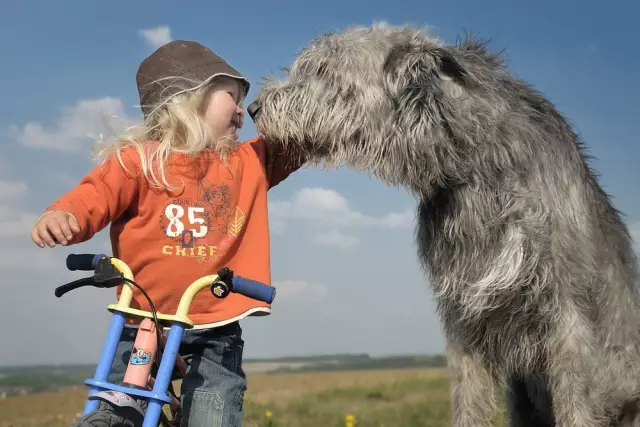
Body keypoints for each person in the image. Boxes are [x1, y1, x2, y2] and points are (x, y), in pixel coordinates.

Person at [30, 40, 304, 426]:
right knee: (115, 409)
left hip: (215, 326)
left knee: (213, 413)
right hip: (141, 320)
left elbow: (306, 138)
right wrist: (64, 214)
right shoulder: (138, 161)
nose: (243, 110)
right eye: (233, 96)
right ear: (188, 97)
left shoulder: (249, 162)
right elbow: (94, 194)